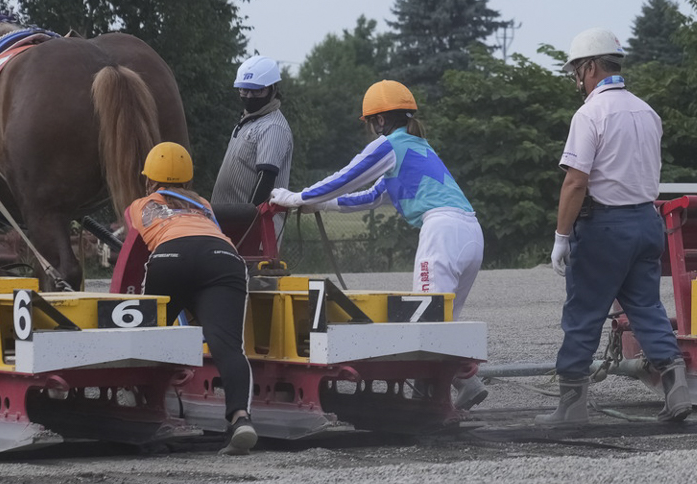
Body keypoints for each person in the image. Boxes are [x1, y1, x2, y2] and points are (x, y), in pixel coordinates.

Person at [267, 80, 488, 409]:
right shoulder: (418, 146)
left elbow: (347, 176)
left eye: (370, 122)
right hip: (470, 233)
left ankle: (430, 405)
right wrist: (321, 205)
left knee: (425, 323)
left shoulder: (388, 145)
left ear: (380, 120)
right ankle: (464, 384)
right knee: (442, 323)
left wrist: (297, 198)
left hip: (442, 232)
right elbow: (372, 196)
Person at [542, 27, 690, 426]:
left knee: (583, 313)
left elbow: (576, 182)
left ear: (590, 67)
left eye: (576, 70)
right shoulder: (647, 111)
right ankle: (676, 388)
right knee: (646, 307)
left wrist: (561, 237)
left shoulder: (590, 114)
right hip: (647, 222)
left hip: (605, 227)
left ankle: (571, 408)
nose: (576, 79)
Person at [126, 143, 258, 455]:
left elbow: (133, 248)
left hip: (171, 256)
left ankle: (148, 410)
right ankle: (240, 419)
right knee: (229, 347)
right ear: (188, 179)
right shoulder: (203, 204)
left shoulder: (140, 205)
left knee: (149, 337)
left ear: (149, 179)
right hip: (222, 258)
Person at [212, 54, 293, 213]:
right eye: (245, 90)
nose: (249, 96)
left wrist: (249, 218)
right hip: (228, 217)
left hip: (252, 222)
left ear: (273, 89)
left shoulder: (272, 126)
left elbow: (266, 178)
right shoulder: (249, 120)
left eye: (257, 91)